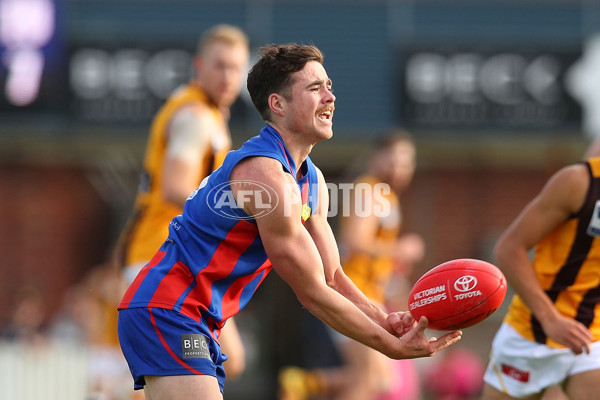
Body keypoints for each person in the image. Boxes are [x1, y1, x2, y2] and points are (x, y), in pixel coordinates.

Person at [117, 43, 462, 400]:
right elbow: (312, 292)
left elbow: (333, 276)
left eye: (328, 86)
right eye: (315, 89)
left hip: (200, 317)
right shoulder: (266, 178)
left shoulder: (310, 179)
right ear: (278, 105)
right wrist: (388, 345)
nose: (330, 97)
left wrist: (384, 320)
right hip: (168, 309)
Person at [116, 24, 250, 380]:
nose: (227, 76)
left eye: (235, 67)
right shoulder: (195, 116)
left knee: (225, 360)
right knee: (196, 369)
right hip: (161, 258)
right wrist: (242, 214)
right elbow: (176, 188)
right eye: (219, 65)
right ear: (198, 65)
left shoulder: (204, 112)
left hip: (169, 257)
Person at [278, 131, 425, 400]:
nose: (399, 167)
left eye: (406, 162)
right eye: (392, 159)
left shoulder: (384, 194)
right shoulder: (371, 189)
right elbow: (354, 240)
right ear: (376, 159)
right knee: (370, 375)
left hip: (368, 293)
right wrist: (399, 249)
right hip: (355, 293)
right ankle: (304, 382)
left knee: (377, 378)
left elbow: (371, 251)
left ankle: (305, 383)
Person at [481, 153, 600, 399]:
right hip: (531, 332)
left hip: (593, 336)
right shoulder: (579, 182)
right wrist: (550, 318)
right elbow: (509, 248)